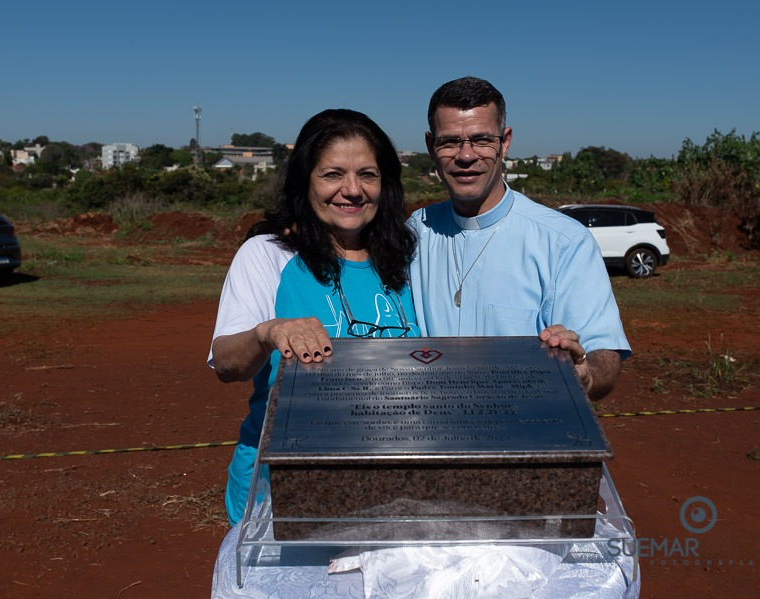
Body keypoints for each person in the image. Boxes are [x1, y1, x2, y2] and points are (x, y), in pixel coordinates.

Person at [207, 108, 419, 526]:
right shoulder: (268, 255)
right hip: (282, 491)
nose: (352, 190)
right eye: (332, 174)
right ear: (304, 180)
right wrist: (268, 332)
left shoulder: (410, 258)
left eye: (368, 175)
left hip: (393, 487)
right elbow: (228, 364)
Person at [409, 76, 630, 400]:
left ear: (505, 142)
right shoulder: (414, 234)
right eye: (450, 142)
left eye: (481, 140)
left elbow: (602, 353)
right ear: (431, 146)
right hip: (436, 425)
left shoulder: (564, 242)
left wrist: (584, 375)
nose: (466, 155)